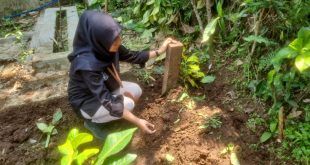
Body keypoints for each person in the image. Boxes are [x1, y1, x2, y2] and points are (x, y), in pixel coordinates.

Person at [67, 10, 175, 139]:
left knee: (136, 90)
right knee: (128, 104)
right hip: (88, 100)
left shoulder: (106, 44)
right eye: (114, 40)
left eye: (118, 36)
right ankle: (93, 123)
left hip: (106, 87)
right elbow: (106, 99)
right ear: (97, 39)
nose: (119, 41)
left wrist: (160, 51)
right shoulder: (86, 64)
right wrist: (138, 121)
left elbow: (133, 56)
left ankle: (115, 116)